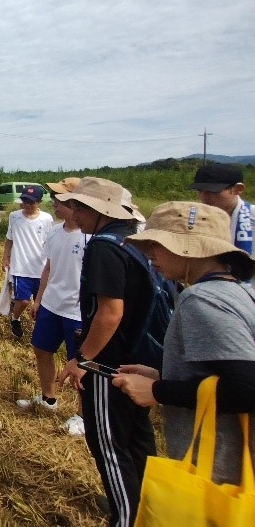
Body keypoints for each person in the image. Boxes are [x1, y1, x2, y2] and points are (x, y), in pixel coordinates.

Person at [112, 201, 255, 487]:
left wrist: (157, 391)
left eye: (158, 244)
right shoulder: (237, 292)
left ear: (191, 248)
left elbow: (245, 388)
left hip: (217, 471)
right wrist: (166, 376)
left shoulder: (201, 300)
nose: (150, 254)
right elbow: (222, 371)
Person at [56, 177, 153, 527]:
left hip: (109, 364)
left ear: (99, 211)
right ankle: (146, 507)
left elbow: (110, 313)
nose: (73, 213)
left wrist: (83, 358)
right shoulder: (132, 239)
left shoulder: (103, 247)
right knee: (137, 441)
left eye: (79, 207)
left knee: (109, 446)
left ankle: (125, 516)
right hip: (139, 361)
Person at [16, 177, 86, 437]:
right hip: (52, 305)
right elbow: (48, 267)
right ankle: (48, 398)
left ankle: (82, 415)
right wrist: (39, 299)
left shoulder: (90, 237)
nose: (54, 203)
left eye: (59, 199)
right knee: (41, 348)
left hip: (77, 311)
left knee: (80, 363)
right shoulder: (55, 231)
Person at [2, 185, 53, 338]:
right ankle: (15, 318)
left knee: (40, 302)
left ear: (39, 202)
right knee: (23, 301)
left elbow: (50, 241)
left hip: (40, 267)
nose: (28, 205)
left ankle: (38, 329)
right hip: (20, 266)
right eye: (25, 201)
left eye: (32, 202)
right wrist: (5, 257)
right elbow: (9, 239)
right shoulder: (14, 216)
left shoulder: (46, 219)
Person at [189, 163, 252, 254]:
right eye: (199, 190)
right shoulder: (192, 218)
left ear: (238, 189)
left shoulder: (252, 217)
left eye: (212, 191)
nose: (204, 196)